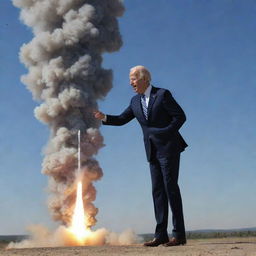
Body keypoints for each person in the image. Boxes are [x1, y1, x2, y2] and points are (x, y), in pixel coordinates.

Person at [94, 65, 188, 247]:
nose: (131, 83)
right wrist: (103, 117)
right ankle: (161, 235)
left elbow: (180, 117)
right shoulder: (135, 102)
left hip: (169, 148)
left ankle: (179, 235)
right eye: (130, 79)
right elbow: (121, 119)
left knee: (171, 188)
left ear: (145, 78)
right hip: (152, 151)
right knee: (158, 192)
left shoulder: (162, 95)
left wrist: (165, 132)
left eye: (134, 78)